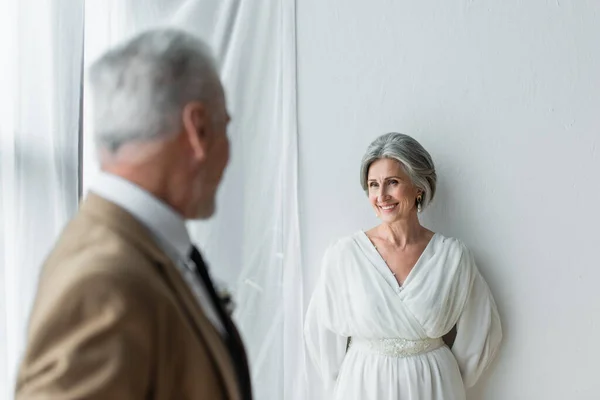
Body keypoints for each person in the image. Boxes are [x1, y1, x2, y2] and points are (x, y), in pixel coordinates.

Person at [16, 29, 252, 400]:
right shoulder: (101, 277)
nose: (228, 151)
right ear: (198, 129)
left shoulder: (145, 247)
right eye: (225, 125)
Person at [304, 132, 502, 400]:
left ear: (418, 186)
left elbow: (481, 330)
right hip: (363, 387)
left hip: (434, 387)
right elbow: (321, 332)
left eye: (392, 182)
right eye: (373, 185)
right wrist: (347, 384)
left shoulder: (452, 257)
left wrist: (447, 380)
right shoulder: (345, 256)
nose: (381, 195)